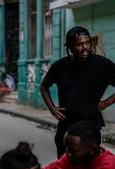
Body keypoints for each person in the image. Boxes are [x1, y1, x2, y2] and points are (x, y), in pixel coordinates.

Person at [40, 26, 115, 159]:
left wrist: (105, 103)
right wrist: (52, 109)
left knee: (88, 168)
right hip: (66, 126)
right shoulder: (60, 66)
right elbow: (44, 86)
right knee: (64, 168)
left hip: (90, 126)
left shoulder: (102, 65)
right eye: (79, 44)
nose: (85, 47)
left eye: (87, 42)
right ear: (69, 47)